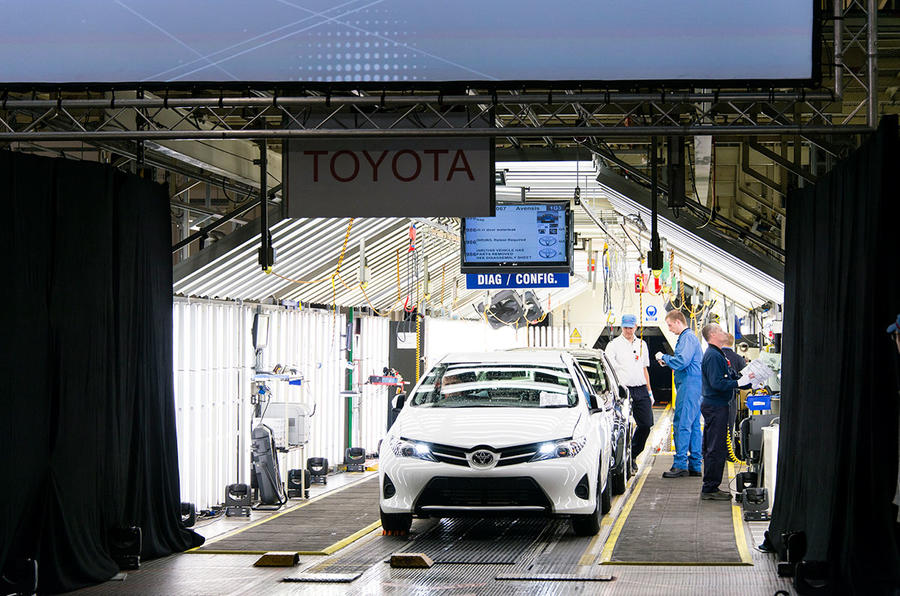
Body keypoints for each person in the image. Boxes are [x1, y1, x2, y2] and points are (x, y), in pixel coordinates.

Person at [698, 323, 750, 500]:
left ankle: (711, 486)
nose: (724, 332)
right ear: (712, 335)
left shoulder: (719, 354)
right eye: (719, 330)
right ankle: (710, 488)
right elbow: (717, 383)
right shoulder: (713, 356)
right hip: (715, 406)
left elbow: (728, 375)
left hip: (718, 405)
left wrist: (746, 379)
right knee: (715, 447)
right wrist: (737, 384)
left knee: (715, 446)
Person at [655, 310, 703, 478]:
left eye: (669, 325)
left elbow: (682, 361)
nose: (669, 329)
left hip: (689, 386)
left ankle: (680, 464)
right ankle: (695, 465)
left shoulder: (687, 338)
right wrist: (668, 361)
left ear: (677, 321)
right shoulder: (688, 338)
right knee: (694, 426)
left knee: (682, 423)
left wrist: (665, 357)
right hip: (693, 386)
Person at [605, 314, 654, 474]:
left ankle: (632, 454)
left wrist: (649, 391)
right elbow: (608, 371)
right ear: (621, 327)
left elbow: (644, 368)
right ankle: (622, 461)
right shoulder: (613, 345)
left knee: (646, 424)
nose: (627, 330)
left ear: (636, 327)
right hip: (623, 390)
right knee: (623, 427)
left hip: (641, 389)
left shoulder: (642, 345)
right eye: (625, 327)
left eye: (630, 327)